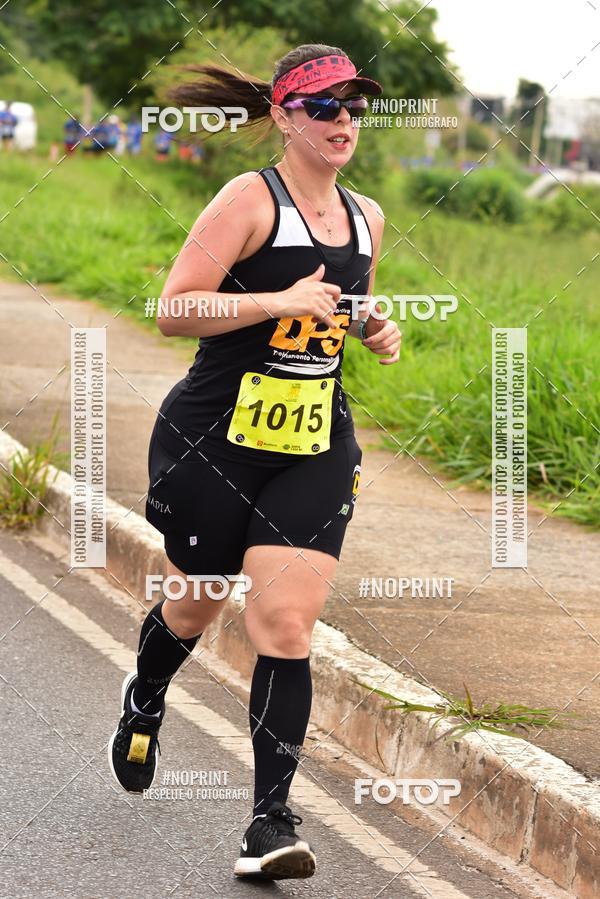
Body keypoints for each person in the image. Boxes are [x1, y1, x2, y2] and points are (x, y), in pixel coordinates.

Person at [107, 43, 401, 881]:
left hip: (311, 446)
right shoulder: (248, 199)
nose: (343, 120)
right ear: (282, 115)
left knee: (285, 625)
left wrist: (372, 327)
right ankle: (147, 693)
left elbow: (343, 311)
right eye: (324, 105)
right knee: (194, 607)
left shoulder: (367, 216)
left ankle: (268, 823)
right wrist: (274, 299)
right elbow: (173, 309)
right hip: (213, 442)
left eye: (354, 105)